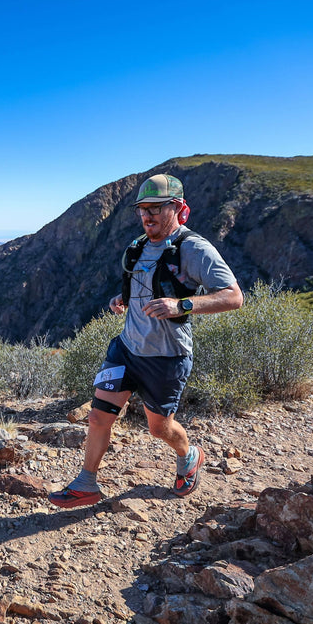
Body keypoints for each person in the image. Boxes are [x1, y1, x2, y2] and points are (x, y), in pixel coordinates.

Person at [49, 173, 243, 507]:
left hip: (166, 357)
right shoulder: (138, 246)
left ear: (178, 207)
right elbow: (143, 288)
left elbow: (233, 296)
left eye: (156, 207)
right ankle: (86, 483)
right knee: (97, 417)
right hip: (127, 349)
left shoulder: (193, 248)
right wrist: (121, 300)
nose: (147, 215)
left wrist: (181, 305)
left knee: (158, 428)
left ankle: (189, 454)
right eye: (143, 208)